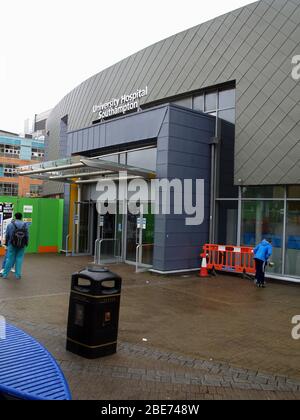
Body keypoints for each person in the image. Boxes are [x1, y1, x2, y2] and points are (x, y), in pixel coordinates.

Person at [0, 213, 29, 280]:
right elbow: (27, 235)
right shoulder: (25, 225)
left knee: (9, 259)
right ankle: (18, 275)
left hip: (11, 244)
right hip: (22, 245)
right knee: (19, 259)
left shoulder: (10, 224)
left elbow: (7, 235)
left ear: (15, 217)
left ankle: (5, 274)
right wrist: (26, 243)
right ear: (21, 217)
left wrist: (7, 244)